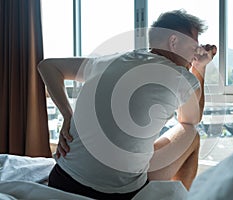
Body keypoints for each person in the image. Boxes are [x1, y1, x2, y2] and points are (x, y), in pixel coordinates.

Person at [38, 10, 217, 199]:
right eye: (193, 47)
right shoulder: (182, 78)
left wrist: (68, 114)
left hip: (61, 181)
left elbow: (48, 66)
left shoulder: (114, 59)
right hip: (119, 194)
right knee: (191, 135)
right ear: (173, 42)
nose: (196, 53)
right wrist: (200, 67)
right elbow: (191, 120)